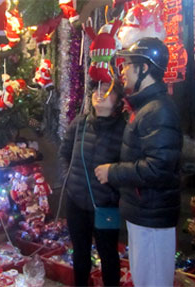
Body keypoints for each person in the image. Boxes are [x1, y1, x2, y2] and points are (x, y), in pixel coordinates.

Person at [94, 37, 183, 287]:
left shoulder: (159, 110)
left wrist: (113, 172)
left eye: (128, 64)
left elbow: (158, 168)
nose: (122, 71)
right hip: (142, 212)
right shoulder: (146, 107)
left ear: (144, 69)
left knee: (152, 280)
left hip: (152, 215)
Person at [59, 80, 126, 286]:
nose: (99, 94)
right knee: (80, 254)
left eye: (106, 91)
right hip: (76, 201)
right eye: (96, 90)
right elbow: (64, 153)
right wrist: (68, 179)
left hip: (106, 204)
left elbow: (128, 166)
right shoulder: (80, 123)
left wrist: (115, 192)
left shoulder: (124, 129)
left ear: (117, 100)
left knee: (108, 256)